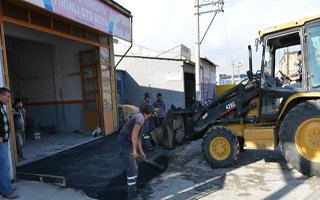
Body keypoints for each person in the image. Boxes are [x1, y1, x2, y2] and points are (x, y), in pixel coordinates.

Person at [116, 105, 153, 199]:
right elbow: (134, 135)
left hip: (127, 141)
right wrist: (134, 151)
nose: (151, 116)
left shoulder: (141, 117)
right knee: (133, 168)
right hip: (124, 142)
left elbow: (138, 139)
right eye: (152, 114)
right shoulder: (140, 119)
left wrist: (142, 152)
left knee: (135, 165)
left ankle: (132, 188)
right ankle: (131, 195)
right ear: (149, 114)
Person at [0, 87, 19, 199]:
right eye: (7, 96)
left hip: (3, 141)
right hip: (1, 142)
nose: (8, 99)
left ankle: (4, 188)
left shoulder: (1, 106)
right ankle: (7, 191)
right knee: (4, 166)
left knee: (2, 166)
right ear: (1, 95)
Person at [13, 97, 26, 162]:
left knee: (22, 144)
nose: (22, 104)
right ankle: (18, 157)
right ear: (17, 103)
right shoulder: (13, 110)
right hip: (17, 130)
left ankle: (21, 156)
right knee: (19, 144)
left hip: (22, 129)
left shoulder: (22, 110)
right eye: (21, 103)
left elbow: (23, 118)